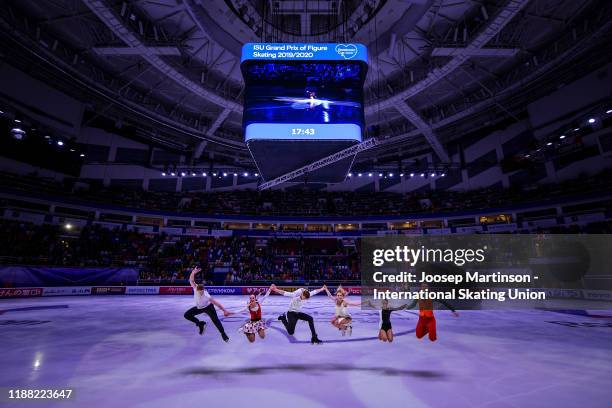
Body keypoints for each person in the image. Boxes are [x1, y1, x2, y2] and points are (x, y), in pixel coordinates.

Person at [183, 266, 231, 342]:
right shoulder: (195, 288)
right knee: (186, 315)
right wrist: (193, 272)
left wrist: (224, 310)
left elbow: (217, 304)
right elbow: (191, 280)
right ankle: (200, 323)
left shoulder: (207, 296)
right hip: (199, 307)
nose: (200, 293)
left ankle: (223, 334)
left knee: (215, 320)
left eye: (202, 292)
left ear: (204, 290)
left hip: (208, 307)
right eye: (199, 292)